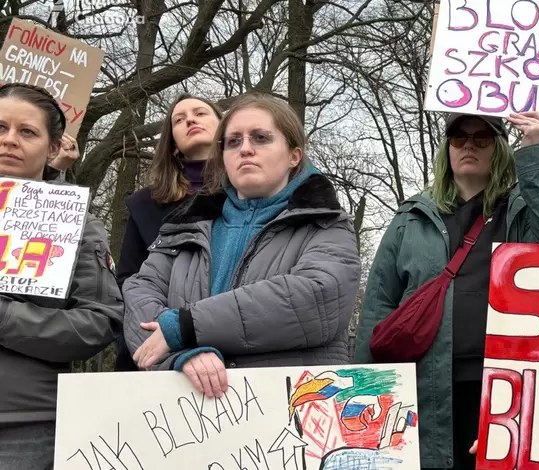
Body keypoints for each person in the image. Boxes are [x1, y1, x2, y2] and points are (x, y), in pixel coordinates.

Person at [354, 110, 539, 469]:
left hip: (504, 386)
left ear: (499, 149)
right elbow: (380, 303)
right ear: (447, 149)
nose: (469, 146)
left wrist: (535, 151)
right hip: (425, 385)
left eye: (482, 139)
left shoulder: (521, 211)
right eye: (459, 138)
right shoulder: (411, 217)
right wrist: (365, 387)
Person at [123, 93, 360, 397]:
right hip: (186, 415)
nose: (245, 149)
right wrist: (180, 355)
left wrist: (185, 327)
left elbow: (317, 297)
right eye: (233, 142)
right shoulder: (184, 227)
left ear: (294, 156)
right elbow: (137, 294)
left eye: (260, 138)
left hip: (289, 416)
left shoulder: (327, 223)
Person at [0, 83, 123, 469]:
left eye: (27, 132)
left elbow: (99, 321)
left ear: (54, 148)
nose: (9, 141)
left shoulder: (79, 226)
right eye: (0, 128)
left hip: (23, 428)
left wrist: (5, 318)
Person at [113, 94, 222, 371]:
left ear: (224, 129)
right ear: (173, 145)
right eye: (179, 119)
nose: (190, 120)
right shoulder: (145, 205)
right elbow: (130, 278)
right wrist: (171, 333)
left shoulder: (252, 193)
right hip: (161, 348)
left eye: (200, 113)